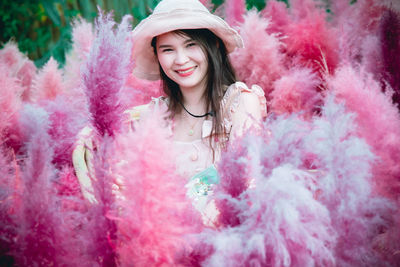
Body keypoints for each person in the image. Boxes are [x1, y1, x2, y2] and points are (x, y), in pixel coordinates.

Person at [72, 0, 267, 216]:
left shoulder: (239, 104)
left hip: (222, 240)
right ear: (157, 56)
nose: (181, 60)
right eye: (168, 49)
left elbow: (245, 184)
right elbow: (130, 190)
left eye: (191, 44)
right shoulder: (154, 117)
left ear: (215, 45)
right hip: (162, 242)